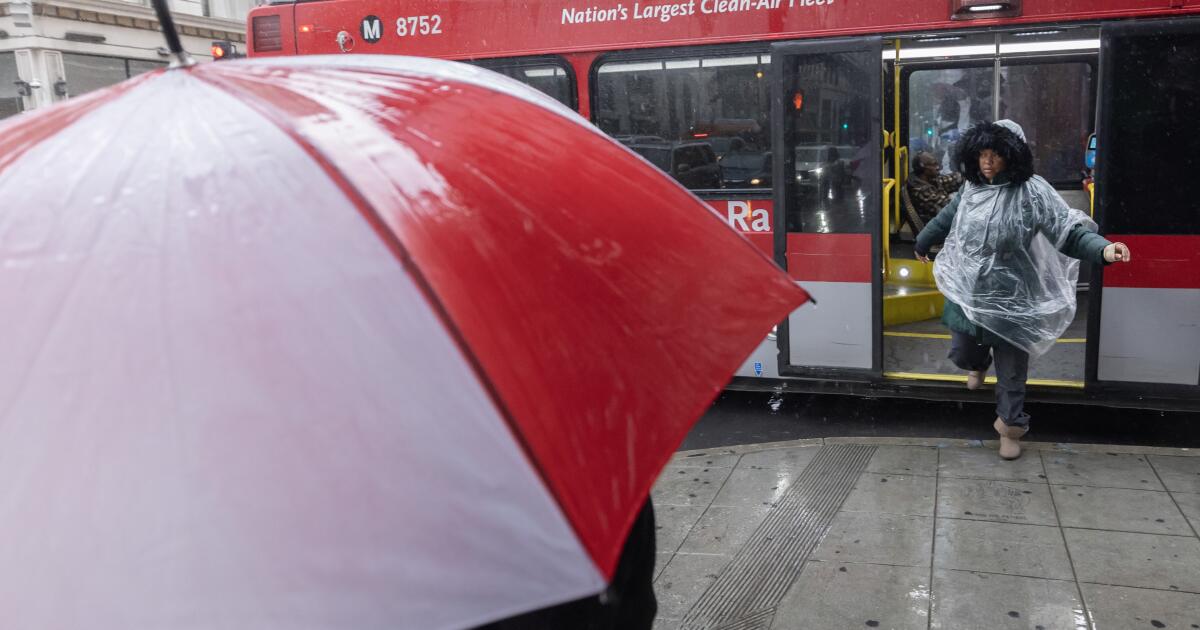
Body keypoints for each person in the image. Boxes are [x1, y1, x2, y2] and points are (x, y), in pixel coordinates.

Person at [914, 120, 1131, 460]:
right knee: (962, 352)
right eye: (981, 155)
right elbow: (947, 218)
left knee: (1013, 372)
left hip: (1014, 297)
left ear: (1012, 156)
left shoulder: (1033, 192)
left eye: (995, 155)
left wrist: (1103, 249)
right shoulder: (971, 189)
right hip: (969, 293)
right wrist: (923, 241)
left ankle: (1009, 426)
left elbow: (1069, 232)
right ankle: (977, 362)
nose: (987, 163)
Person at [906, 151, 964, 227]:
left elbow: (950, 180)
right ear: (922, 167)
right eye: (934, 165)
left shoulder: (927, 179)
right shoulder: (922, 191)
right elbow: (952, 210)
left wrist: (969, 175)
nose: (938, 167)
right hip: (941, 229)